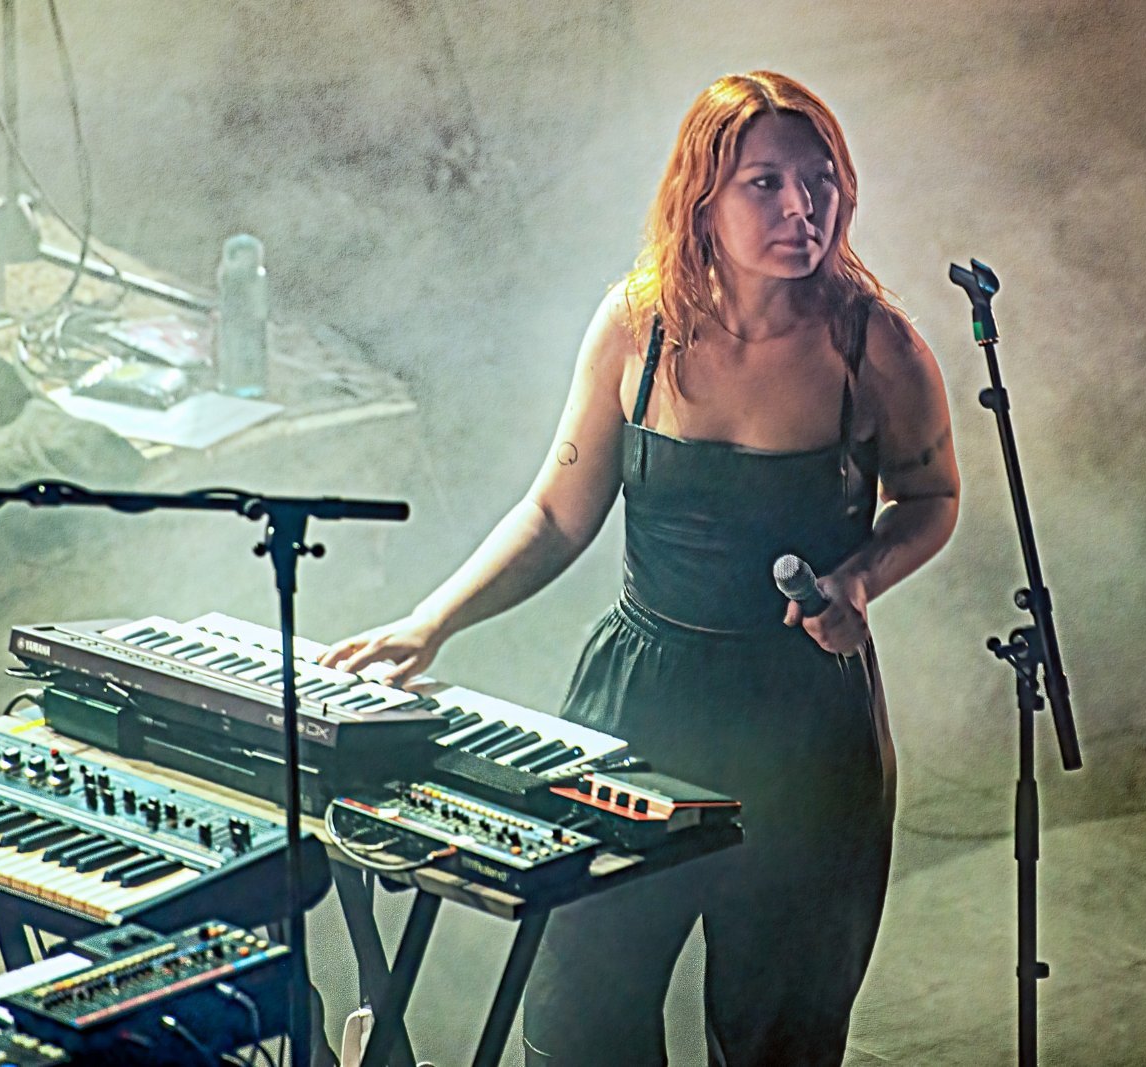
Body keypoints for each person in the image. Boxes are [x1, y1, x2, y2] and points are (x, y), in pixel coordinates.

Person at [319, 70, 960, 1066]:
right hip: (641, 704)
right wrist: (431, 621)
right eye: (765, 183)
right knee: (582, 1021)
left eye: (820, 179)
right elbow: (553, 513)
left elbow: (931, 497)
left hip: (805, 723)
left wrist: (860, 579)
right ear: (701, 197)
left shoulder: (876, 345)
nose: (802, 206)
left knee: (779, 1032)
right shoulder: (638, 324)